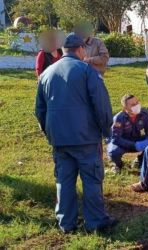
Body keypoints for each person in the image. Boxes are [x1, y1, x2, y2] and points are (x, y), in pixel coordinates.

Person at [35, 33, 117, 233]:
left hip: (60, 140)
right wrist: (106, 130)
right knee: (91, 180)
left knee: (63, 181)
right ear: (81, 50)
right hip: (85, 138)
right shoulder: (87, 71)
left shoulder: (46, 73)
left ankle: (66, 223)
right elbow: (101, 105)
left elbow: (40, 110)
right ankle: (95, 223)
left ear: (64, 50)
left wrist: (50, 134)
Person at [107, 94, 148, 174]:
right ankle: (118, 165)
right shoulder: (119, 118)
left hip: (137, 139)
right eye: (133, 105)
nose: (137, 105)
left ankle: (140, 160)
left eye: (137, 102)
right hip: (122, 143)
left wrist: (147, 140)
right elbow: (116, 139)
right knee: (113, 152)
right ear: (125, 108)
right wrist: (134, 145)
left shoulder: (144, 114)